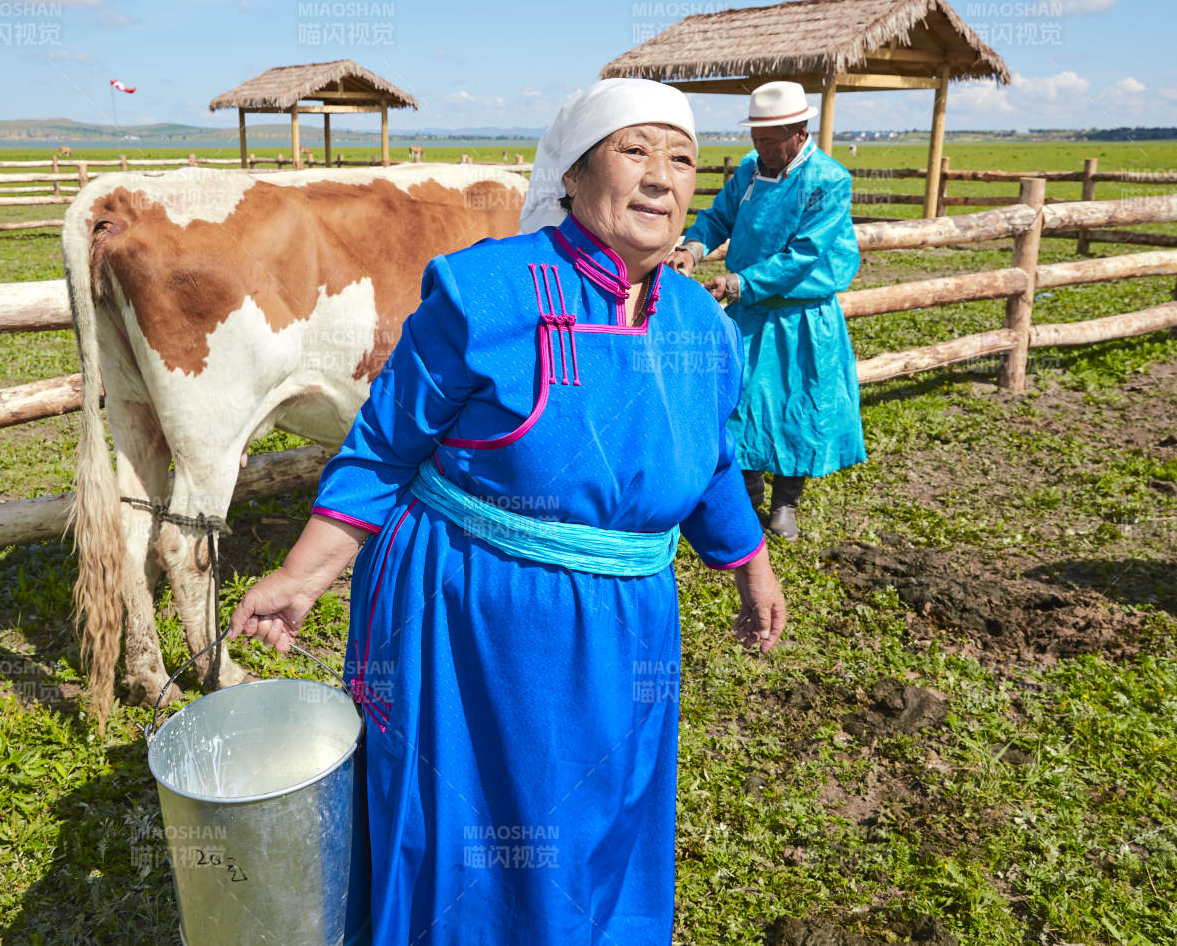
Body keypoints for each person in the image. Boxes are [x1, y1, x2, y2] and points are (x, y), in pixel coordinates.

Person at [230, 78, 787, 945]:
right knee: (482, 843)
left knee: (602, 821)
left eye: (681, 159)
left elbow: (710, 459)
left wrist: (749, 563)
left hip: (627, 627)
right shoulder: (481, 294)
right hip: (476, 623)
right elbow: (385, 446)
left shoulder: (700, 325)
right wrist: (302, 576)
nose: (660, 178)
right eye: (633, 151)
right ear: (572, 174)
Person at [668, 81, 866, 540]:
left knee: (795, 404)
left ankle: (786, 503)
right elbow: (719, 217)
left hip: (799, 315)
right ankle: (748, 485)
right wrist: (693, 250)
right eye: (756, 139)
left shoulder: (827, 181)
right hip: (748, 309)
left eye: (770, 141)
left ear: (799, 131)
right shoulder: (751, 173)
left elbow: (804, 254)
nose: (762, 149)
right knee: (738, 399)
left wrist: (741, 282)